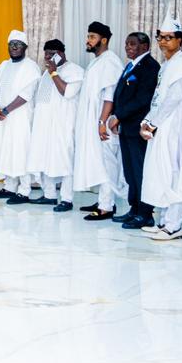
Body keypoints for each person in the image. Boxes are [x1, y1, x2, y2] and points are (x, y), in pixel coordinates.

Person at [138, 18, 182, 242]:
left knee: (175, 173)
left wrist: (153, 124)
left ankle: (173, 225)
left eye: (169, 38)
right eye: (160, 37)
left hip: (174, 128)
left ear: (180, 40)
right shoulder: (167, 65)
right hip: (162, 126)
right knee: (162, 172)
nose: (163, 42)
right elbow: (158, 99)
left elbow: (175, 99)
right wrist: (147, 121)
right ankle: (164, 222)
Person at [74, 22, 127, 221]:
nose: (88, 40)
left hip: (103, 124)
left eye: (92, 37)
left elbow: (109, 96)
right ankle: (102, 201)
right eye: (88, 36)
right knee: (98, 161)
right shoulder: (97, 61)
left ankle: (106, 207)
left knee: (106, 165)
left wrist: (102, 122)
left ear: (103, 40)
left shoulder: (110, 62)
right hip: (95, 122)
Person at [108, 33, 160, 229]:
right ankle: (134, 209)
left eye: (132, 44)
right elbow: (121, 94)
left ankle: (145, 214)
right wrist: (116, 116)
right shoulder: (131, 65)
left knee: (140, 172)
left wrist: (118, 115)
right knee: (130, 172)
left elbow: (143, 99)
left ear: (145, 46)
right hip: (126, 127)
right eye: (126, 44)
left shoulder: (150, 67)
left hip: (138, 128)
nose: (128, 47)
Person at [25, 40, 84, 210]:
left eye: (52, 53)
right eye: (46, 54)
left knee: (65, 160)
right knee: (45, 158)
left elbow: (67, 92)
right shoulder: (46, 72)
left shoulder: (75, 70)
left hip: (63, 125)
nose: (48, 57)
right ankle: (49, 195)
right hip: (43, 125)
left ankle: (67, 199)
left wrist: (54, 73)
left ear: (61, 53)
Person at [0, 30, 41, 205]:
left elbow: (26, 94)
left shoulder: (31, 67)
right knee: (5, 150)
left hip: (19, 116)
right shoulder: (4, 65)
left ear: (25, 47)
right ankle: (9, 187)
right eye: (11, 44)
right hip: (1, 116)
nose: (14, 47)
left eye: (18, 44)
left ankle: (24, 190)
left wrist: (6, 110)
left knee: (20, 150)